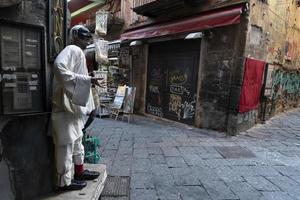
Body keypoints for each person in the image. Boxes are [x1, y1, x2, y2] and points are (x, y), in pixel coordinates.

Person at [51, 25, 104, 191]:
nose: (87, 40)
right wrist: (87, 80)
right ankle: (63, 182)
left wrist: (87, 80)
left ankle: (79, 171)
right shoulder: (72, 49)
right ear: (75, 36)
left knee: (76, 141)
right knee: (66, 144)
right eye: (84, 36)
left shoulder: (77, 51)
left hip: (72, 108)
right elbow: (59, 66)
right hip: (66, 107)